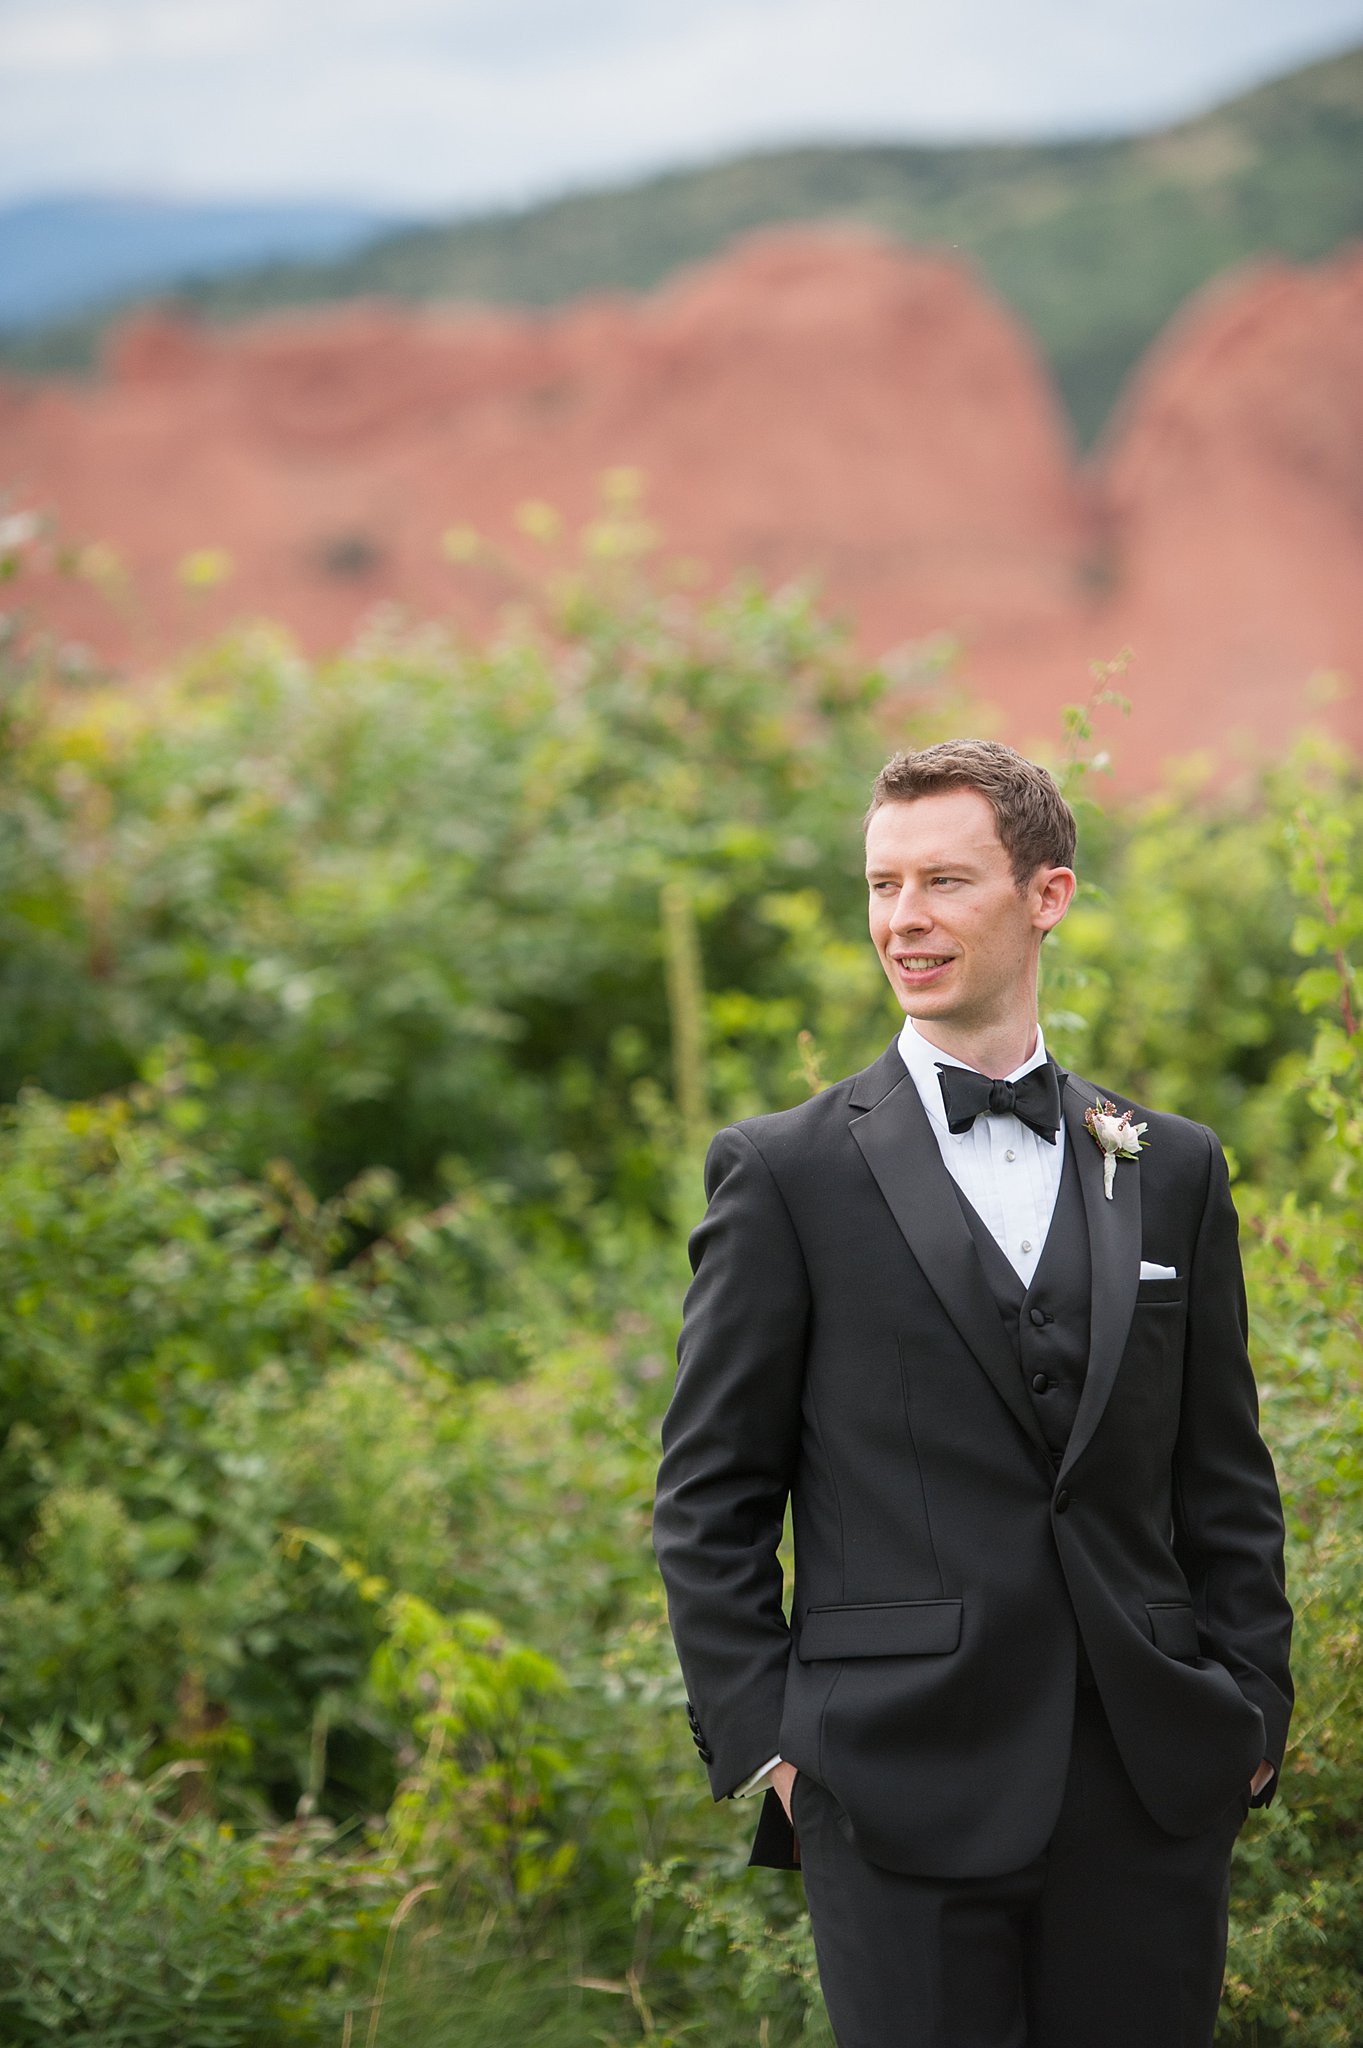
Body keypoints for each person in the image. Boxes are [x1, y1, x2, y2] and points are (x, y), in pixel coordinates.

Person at [652, 740, 1292, 2048]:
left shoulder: (1165, 1165)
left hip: (1149, 1781)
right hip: (890, 1780)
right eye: (882, 885)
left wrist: (1251, 1711)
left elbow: (1222, 1472)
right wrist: (778, 1746)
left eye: (944, 881)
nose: (904, 919)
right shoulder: (786, 1175)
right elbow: (709, 1494)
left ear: (1046, 894)